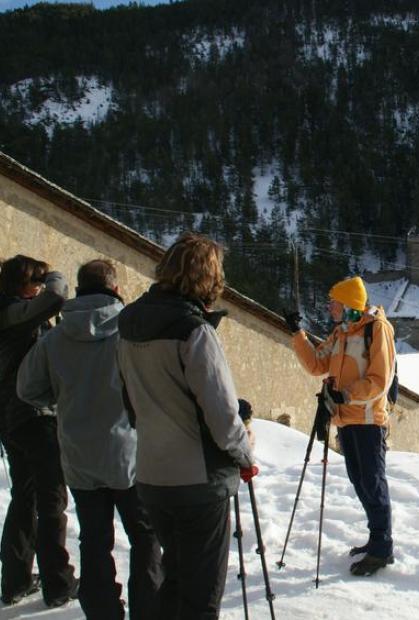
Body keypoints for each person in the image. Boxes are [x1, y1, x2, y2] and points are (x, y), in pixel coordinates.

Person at [116, 233, 256, 619]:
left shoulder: (127, 324)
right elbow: (222, 415)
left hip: (151, 474)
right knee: (201, 597)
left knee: (173, 581)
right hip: (198, 479)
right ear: (208, 278)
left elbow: (129, 401)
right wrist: (244, 451)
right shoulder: (194, 330)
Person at [16, 258, 162, 619]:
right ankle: (148, 609)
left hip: (79, 456)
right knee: (145, 537)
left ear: (79, 290)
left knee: (94, 541)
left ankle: (103, 611)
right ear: (114, 289)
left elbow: (27, 389)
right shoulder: (132, 333)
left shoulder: (54, 339)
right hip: (129, 456)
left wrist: (61, 399)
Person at [289, 275, 397, 576]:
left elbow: (380, 379)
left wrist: (347, 394)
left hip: (367, 420)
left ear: (348, 303)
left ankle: (382, 547)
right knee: (359, 480)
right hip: (345, 419)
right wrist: (298, 334)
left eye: (333, 302)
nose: (329, 307)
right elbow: (316, 365)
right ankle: (376, 538)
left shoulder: (376, 330)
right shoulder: (341, 333)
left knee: (373, 482)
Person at [0, 255, 78, 607]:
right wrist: (56, 275)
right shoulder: (13, 312)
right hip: (33, 415)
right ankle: (58, 583)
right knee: (51, 500)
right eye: (36, 281)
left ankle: (15, 580)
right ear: (24, 284)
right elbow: (57, 297)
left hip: (12, 418)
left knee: (26, 496)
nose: (40, 288)